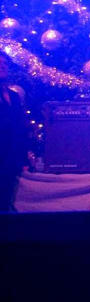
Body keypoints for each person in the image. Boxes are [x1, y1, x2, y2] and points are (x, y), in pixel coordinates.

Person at [0, 51, 30, 211]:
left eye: (5, 64)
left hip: (11, 157)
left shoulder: (14, 96)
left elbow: (19, 126)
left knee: (7, 198)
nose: (2, 67)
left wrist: (23, 156)